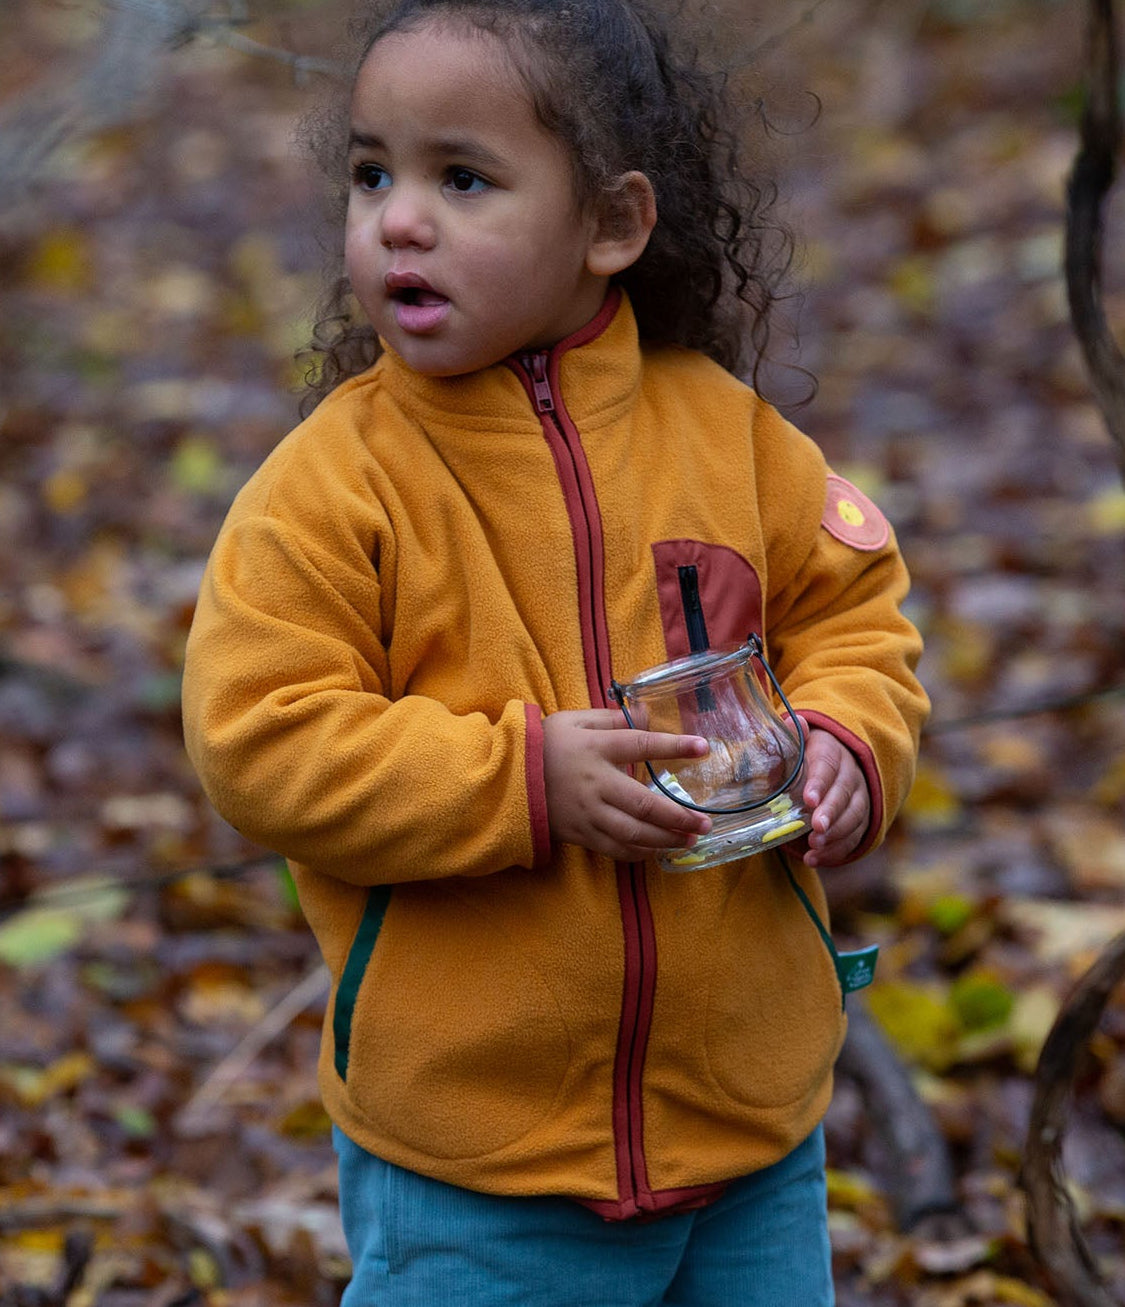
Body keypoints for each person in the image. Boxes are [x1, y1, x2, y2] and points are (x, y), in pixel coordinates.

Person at [182, 0, 929, 1301]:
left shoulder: (729, 436)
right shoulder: (333, 487)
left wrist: (847, 741)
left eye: (460, 178)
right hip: (482, 1165)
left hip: (750, 1127)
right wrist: (521, 780)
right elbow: (257, 737)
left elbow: (854, 619)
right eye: (373, 173)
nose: (397, 219)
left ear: (611, 226)